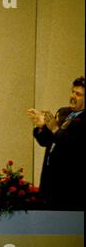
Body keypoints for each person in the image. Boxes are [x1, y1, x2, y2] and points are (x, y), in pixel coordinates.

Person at [27, 76, 85, 210]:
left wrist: (54, 128)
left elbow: (73, 147)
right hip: (49, 177)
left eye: (78, 94)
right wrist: (42, 126)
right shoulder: (63, 112)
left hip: (69, 183)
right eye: (72, 92)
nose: (72, 96)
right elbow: (46, 141)